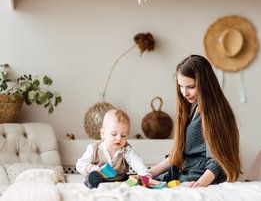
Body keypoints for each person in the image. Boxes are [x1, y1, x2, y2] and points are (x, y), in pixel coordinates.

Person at [149, 54, 241, 187]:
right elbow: (178, 154)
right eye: (181, 86)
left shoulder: (215, 113)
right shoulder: (194, 107)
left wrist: (199, 185)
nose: (184, 93)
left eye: (190, 87)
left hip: (198, 177)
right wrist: (149, 173)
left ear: (204, 84)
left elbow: (217, 161)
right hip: (183, 173)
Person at [76, 109, 152, 188]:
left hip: (120, 180)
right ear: (103, 133)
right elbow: (79, 164)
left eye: (123, 135)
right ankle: (94, 183)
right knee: (90, 179)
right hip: (99, 179)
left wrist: (145, 175)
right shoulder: (94, 148)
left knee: (133, 179)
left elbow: (136, 161)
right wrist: (91, 168)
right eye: (114, 134)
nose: (119, 138)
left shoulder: (126, 150)